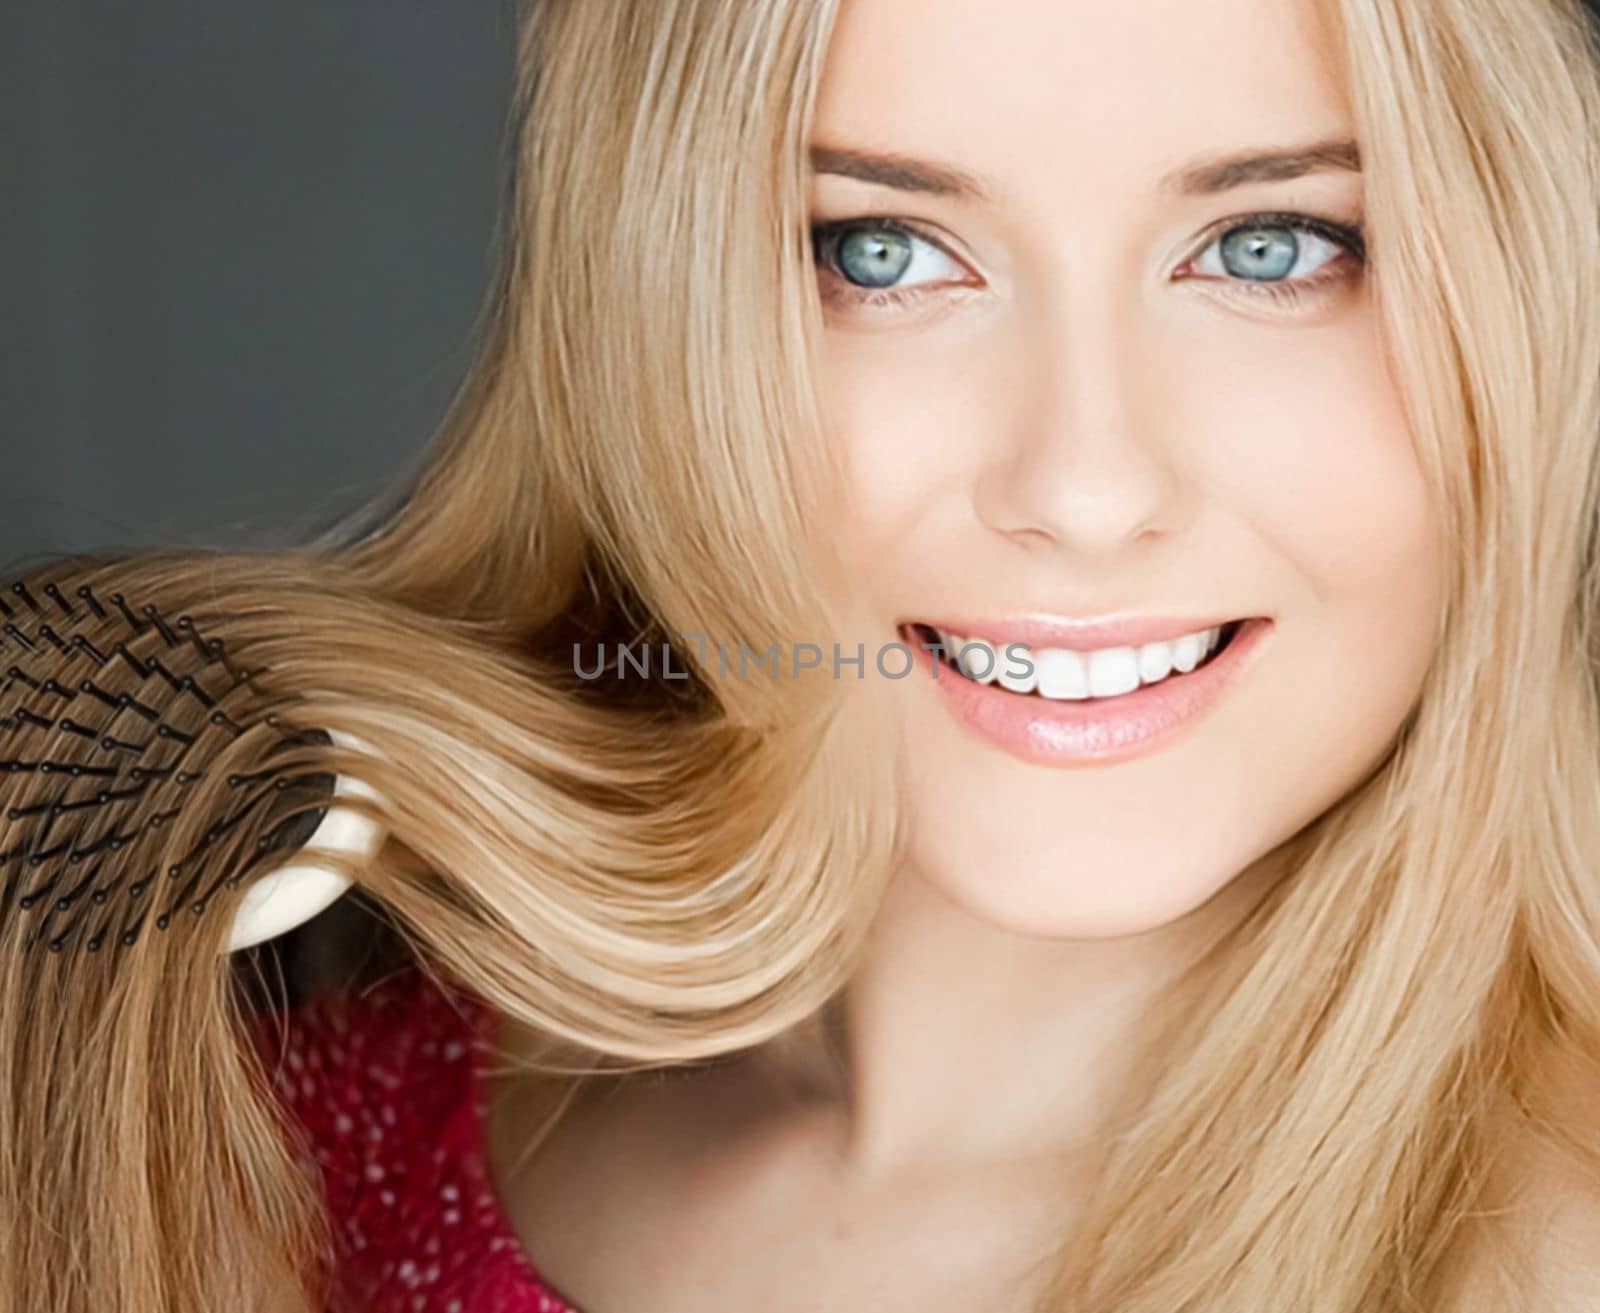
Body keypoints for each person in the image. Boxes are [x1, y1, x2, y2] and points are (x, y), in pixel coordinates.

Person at [5, 0, 1600, 1309]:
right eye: (883, 253)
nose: (1086, 487)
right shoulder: (253, 1117)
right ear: (648, 316)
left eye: (1269, 248)